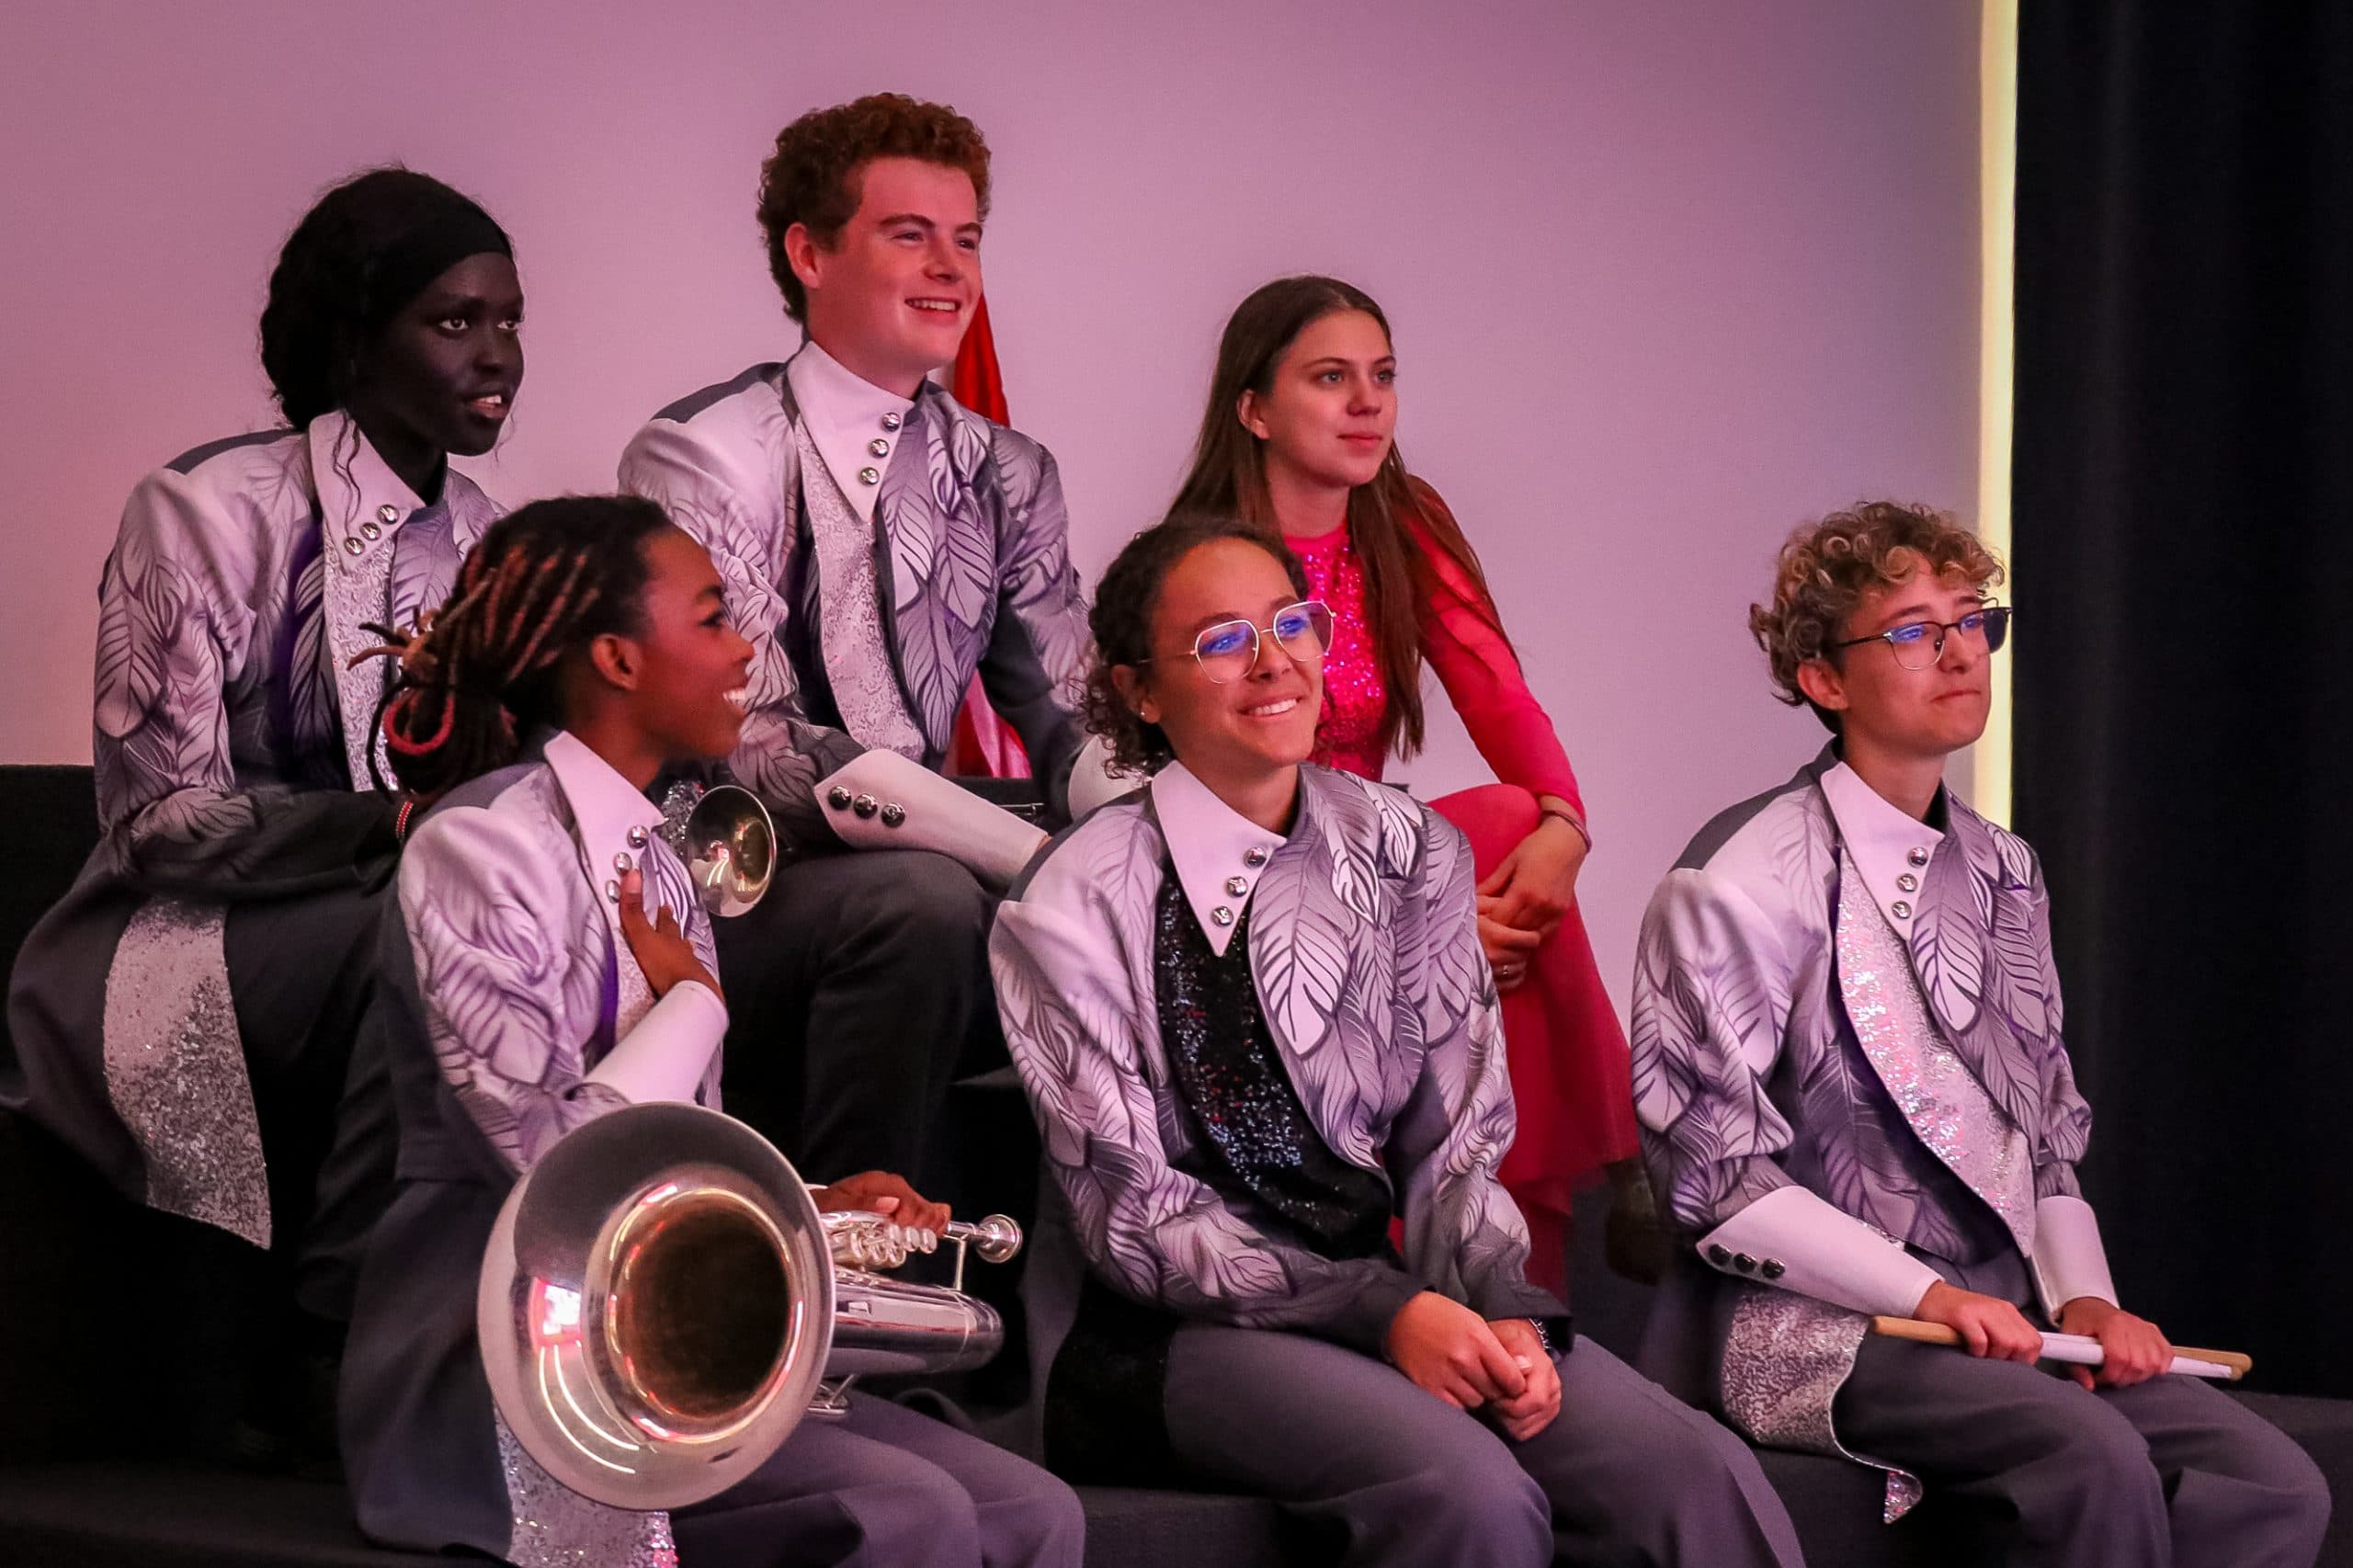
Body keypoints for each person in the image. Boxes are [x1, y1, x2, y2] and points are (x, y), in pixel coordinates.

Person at [991, 513, 1802, 1567]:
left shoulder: (1407, 847)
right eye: (1222, 640)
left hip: (1404, 1289)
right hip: (1156, 1331)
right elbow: (1137, 1222)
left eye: (1291, 621)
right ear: (1141, 691)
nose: (1275, 658)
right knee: (1465, 1490)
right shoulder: (1069, 899)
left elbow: (1457, 1137)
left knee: (1683, 1470)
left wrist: (1499, 1305)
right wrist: (1387, 1311)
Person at [340, 494, 1083, 1568]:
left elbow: (678, 1165)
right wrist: (693, 1002)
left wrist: (818, 1207)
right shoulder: (479, 849)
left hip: (653, 1337)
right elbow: (554, 1175)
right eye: (712, 617)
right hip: (511, 1368)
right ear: (617, 659)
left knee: (1037, 1514)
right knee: (907, 1514)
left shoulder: (665, 856)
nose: (745, 649)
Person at [1631, 501, 2329, 1562]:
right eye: (1912, 629)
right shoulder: (1733, 879)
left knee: (2268, 1477)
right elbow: (1716, 1181)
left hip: (2001, 1316)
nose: (1959, 649)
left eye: (1970, 619)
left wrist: (2086, 1298)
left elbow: (2042, 1128)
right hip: (1808, 1329)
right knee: (2086, 1452)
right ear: (1824, 678)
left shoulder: (2005, 868)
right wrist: (1933, 1294)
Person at [4, 166, 519, 1341]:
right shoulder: (202, 508)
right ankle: (343, 1324)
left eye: (508, 321)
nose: (497, 355)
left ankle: (490, 1326)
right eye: (453, 322)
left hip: (382, 907)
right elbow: (155, 827)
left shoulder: (492, 539)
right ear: (353, 344)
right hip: (162, 938)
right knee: (442, 921)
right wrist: (385, 830)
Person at [620, 92, 1107, 1191]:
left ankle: (1113, 1328)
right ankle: (854, 1280)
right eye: (909, 234)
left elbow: (1076, 718)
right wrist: (1036, 861)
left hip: (928, 861)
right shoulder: (701, 452)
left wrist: (1151, 845)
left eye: (967, 238)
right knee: (927, 905)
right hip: (725, 887)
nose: (951, 268)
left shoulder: (1008, 471)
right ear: (808, 253)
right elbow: (753, 744)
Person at [1168, 277, 1643, 1289]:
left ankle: (1531, 1252)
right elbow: (1213, 800)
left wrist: (1565, 823)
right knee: (1460, 904)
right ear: (1253, 409)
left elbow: (1499, 696)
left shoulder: (1402, 521)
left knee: (1513, 818)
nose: (1367, 402)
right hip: (1260, 884)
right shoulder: (1205, 562)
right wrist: (1412, 916)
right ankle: (1603, 1177)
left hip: (1381, 851)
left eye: (1381, 376)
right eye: (1330, 378)